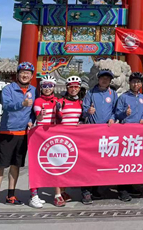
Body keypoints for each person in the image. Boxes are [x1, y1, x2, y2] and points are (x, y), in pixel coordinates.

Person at [0, 61, 36, 211]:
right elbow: (7, 105)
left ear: (32, 76)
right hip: (7, 132)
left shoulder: (34, 90)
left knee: (16, 165)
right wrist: (22, 104)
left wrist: (31, 120)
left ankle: (11, 195)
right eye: (22, 72)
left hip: (23, 133)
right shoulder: (8, 89)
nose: (25, 75)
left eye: (28, 73)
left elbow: (34, 111)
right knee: (0, 165)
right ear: (17, 74)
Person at [80, 69, 117, 205]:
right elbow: (83, 111)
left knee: (101, 162)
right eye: (103, 78)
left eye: (107, 78)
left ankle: (96, 189)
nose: (105, 80)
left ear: (110, 80)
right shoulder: (90, 93)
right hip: (91, 132)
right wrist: (88, 111)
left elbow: (115, 111)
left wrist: (113, 118)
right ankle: (86, 191)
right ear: (98, 79)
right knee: (89, 162)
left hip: (106, 133)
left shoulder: (113, 94)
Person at [29, 75, 61, 209]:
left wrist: (59, 111)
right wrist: (41, 115)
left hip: (53, 136)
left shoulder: (57, 100)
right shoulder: (38, 101)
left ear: (54, 87)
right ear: (41, 87)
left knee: (56, 165)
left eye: (50, 86)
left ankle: (58, 194)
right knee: (36, 166)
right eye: (44, 86)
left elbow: (60, 118)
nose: (47, 88)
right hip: (40, 136)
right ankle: (33, 195)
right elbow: (39, 117)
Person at [115, 72, 143, 202]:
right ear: (129, 83)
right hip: (126, 134)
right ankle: (122, 189)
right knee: (124, 162)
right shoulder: (123, 97)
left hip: (139, 134)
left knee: (133, 162)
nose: (136, 84)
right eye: (134, 82)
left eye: (138, 82)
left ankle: (130, 185)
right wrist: (125, 113)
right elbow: (117, 114)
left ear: (141, 84)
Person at [54, 75, 84, 206]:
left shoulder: (80, 102)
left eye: (76, 87)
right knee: (59, 165)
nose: (74, 89)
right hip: (62, 136)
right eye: (71, 87)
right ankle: (57, 195)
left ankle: (63, 191)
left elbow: (80, 118)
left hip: (74, 137)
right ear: (67, 88)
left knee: (68, 165)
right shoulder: (61, 101)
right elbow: (56, 118)